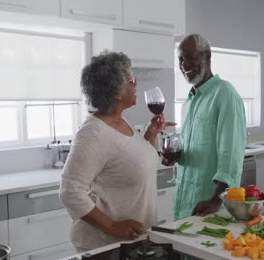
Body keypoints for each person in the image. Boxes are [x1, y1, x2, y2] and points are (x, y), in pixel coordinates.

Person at [60, 51, 173, 252]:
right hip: (105, 247)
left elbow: (127, 162)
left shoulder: (120, 122)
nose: (136, 84)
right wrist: (112, 226)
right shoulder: (93, 133)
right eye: (131, 80)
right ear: (116, 92)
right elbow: (70, 192)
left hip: (132, 243)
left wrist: (150, 135)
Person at [171, 34, 246, 220]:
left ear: (207, 56)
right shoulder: (189, 100)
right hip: (184, 205)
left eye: (189, 57)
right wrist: (178, 156)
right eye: (180, 58)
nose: (183, 64)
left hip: (209, 208)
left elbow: (231, 156)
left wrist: (215, 200)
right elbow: (197, 149)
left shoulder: (225, 94)